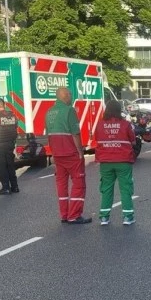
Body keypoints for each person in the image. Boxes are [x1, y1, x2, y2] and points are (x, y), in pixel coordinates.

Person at [45, 88, 91, 224]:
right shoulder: (69, 110)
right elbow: (75, 133)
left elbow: (49, 134)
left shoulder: (49, 112)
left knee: (61, 184)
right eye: (70, 94)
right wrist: (80, 152)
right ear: (65, 96)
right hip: (70, 152)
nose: (71, 96)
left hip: (57, 154)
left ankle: (64, 215)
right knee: (78, 183)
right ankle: (74, 215)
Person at [95, 100, 136, 226]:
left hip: (105, 162)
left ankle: (104, 217)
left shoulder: (100, 124)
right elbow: (133, 141)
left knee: (106, 189)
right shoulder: (125, 124)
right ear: (119, 110)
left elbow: (97, 139)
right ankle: (128, 217)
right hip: (123, 161)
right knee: (125, 189)